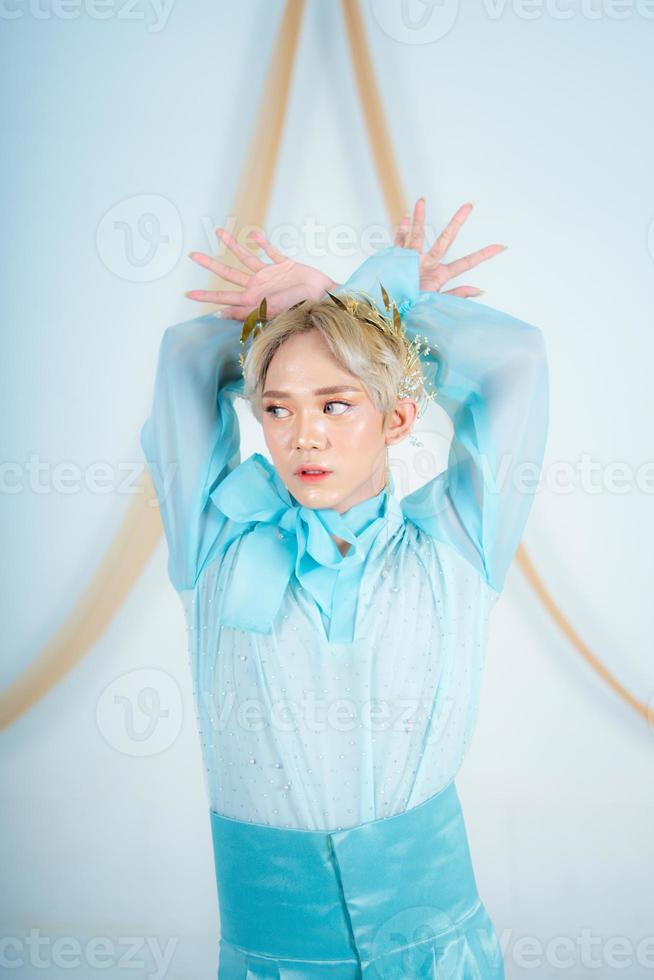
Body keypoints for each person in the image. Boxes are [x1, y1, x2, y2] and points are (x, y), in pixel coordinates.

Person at [140, 199, 549, 978]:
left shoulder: (455, 546)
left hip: (440, 954)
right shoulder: (214, 541)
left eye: (336, 404)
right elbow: (188, 360)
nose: (307, 435)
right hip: (272, 960)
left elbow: (516, 363)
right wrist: (304, 314)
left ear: (396, 420)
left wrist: (354, 301)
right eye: (277, 409)